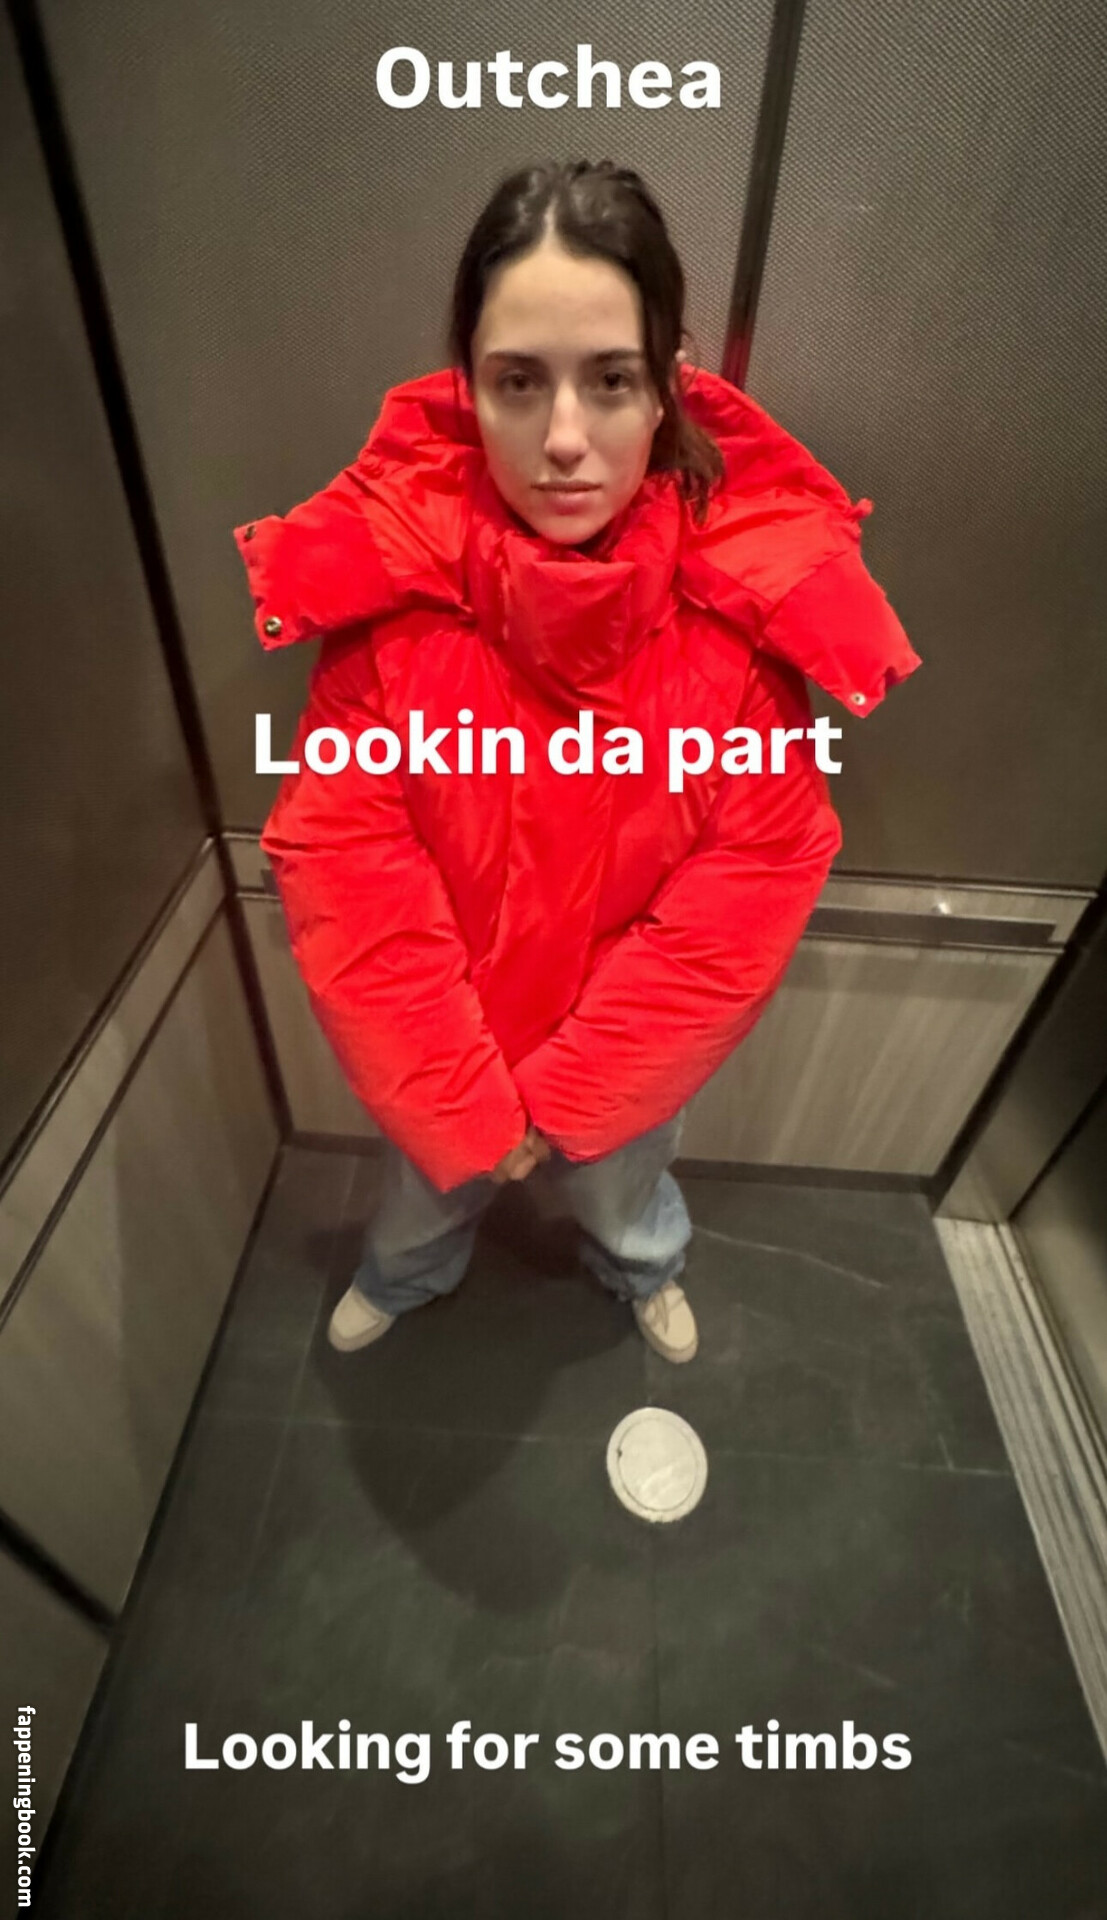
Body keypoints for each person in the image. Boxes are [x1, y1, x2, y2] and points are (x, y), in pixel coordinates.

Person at [233, 159, 920, 1366]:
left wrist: (578, 1094)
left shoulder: (739, 626)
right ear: (469, 385)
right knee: (421, 1196)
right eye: (519, 382)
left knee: (628, 1198)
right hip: (442, 1051)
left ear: (665, 388)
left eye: (609, 380)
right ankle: (407, 1275)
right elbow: (348, 865)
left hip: (624, 1070)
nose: (563, 440)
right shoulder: (391, 614)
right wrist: (461, 1099)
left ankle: (641, 1268)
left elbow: (747, 890)